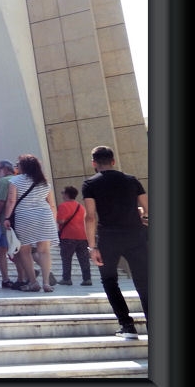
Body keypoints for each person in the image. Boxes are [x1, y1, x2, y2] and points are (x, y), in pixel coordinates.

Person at [81, 145, 148, 339]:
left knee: (109, 280)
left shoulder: (90, 184)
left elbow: (90, 217)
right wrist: (143, 216)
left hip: (108, 238)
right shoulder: (131, 180)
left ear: (94, 163)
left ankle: (127, 325)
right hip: (136, 236)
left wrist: (92, 246)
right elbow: (147, 208)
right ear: (113, 161)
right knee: (144, 282)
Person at [2, 153, 59, 293]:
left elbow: (11, 201)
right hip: (45, 216)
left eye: (18, 165)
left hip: (25, 216)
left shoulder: (15, 181)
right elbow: (52, 204)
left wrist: (7, 218)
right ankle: (46, 283)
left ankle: (33, 282)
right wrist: (54, 220)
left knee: (24, 251)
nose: (17, 167)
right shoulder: (44, 182)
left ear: (23, 166)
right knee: (44, 251)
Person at [0, 160, 23, 289]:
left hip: (8, 220)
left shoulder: (4, 181)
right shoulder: (21, 179)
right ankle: (28, 274)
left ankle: (22, 277)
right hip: (23, 218)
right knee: (22, 249)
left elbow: (1, 201)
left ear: (5, 169)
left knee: (13, 249)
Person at [56, 185, 91, 286]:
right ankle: (87, 278)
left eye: (63, 192)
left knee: (66, 258)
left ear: (67, 194)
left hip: (68, 235)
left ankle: (66, 279)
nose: (62, 194)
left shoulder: (63, 206)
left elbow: (61, 220)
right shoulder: (81, 207)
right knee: (84, 258)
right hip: (82, 236)